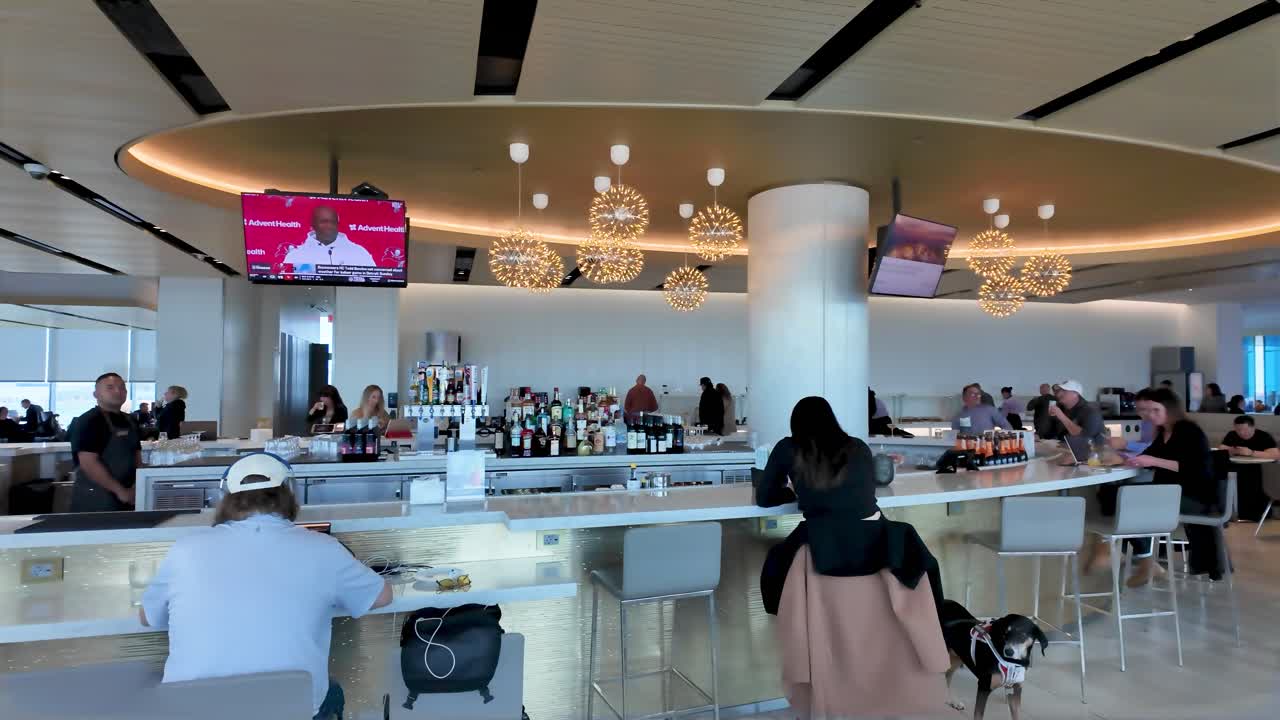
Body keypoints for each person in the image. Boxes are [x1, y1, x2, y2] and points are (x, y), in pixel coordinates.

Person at [141, 453, 392, 720]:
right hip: (288, 708)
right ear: (289, 494)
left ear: (226, 497)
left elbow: (149, 617)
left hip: (191, 710)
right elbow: (382, 596)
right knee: (332, 692)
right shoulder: (321, 547)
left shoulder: (185, 548)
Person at [756, 395, 943, 611]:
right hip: (872, 540)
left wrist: (792, 493)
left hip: (825, 544)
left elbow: (765, 497)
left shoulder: (788, 448)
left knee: (776, 560)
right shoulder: (858, 446)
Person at [1120, 388, 1222, 583]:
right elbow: (1147, 456)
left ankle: (1145, 560)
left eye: (1155, 410)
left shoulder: (1188, 431)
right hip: (1170, 493)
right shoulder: (1164, 433)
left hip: (1195, 496)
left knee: (1128, 501)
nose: (1150, 415)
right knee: (1115, 495)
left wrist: (1153, 461)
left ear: (1170, 410)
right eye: (1148, 411)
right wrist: (1126, 459)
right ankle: (1140, 558)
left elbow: (1194, 469)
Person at [68, 372, 142, 512]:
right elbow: (89, 463)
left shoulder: (130, 420)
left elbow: (137, 455)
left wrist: (137, 486)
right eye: (110, 387)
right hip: (96, 496)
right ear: (96, 394)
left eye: (122, 388)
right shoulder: (88, 421)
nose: (118, 391)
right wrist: (120, 491)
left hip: (129, 495)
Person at [1220, 415, 1279, 521]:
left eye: (1245, 429)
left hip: (1259, 468)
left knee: (1251, 478)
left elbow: (1275, 454)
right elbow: (1222, 449)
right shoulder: (1232, 435)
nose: (1242, 433)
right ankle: (1232, 512)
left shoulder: (1263, 436)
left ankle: (1255, 514)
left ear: (1253, 427)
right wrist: (1234, 451)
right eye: (1238, 430)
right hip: (1236, 467)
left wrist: (1251, 452)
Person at [283, 206, 376, 267]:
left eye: (333, 222)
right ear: (313, 224)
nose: (329, 226)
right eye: (324, 222)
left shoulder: (359, 252)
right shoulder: (296, 255)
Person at [1048, 379, 1107, 447]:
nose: (1059, 393)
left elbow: (1084, 438)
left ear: (1075, 394)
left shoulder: (1090, 411)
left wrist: (1061, 416)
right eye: (1059, 390)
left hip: (1091, 453)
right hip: (1066, 450)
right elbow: (1055, 433)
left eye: (1064, 391)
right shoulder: (1062, 408)